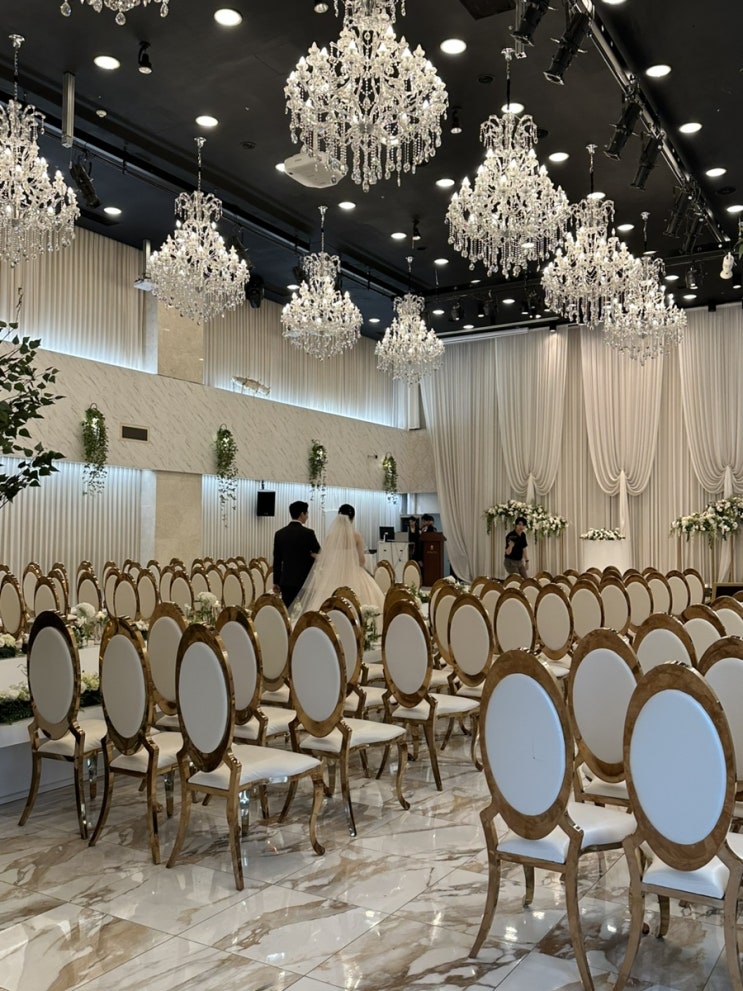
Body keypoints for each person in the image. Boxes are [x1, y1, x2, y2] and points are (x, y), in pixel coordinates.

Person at [292, 504, 384, 617]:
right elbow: (361, 561)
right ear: (352, 518)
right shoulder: (356, 536)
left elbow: (325, 558)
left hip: (334, 576)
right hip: (354, 574)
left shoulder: (330, 537)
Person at [272, 500, 320, 608]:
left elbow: (277, 560)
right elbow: (319, 553)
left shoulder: (279, 534)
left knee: (287, 611)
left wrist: (276, 581)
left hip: (286, 580)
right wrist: (310, 555)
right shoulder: (308, 533)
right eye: (307, 513)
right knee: (306, 611)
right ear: (302, 514)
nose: (307, 516)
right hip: (306, 580)